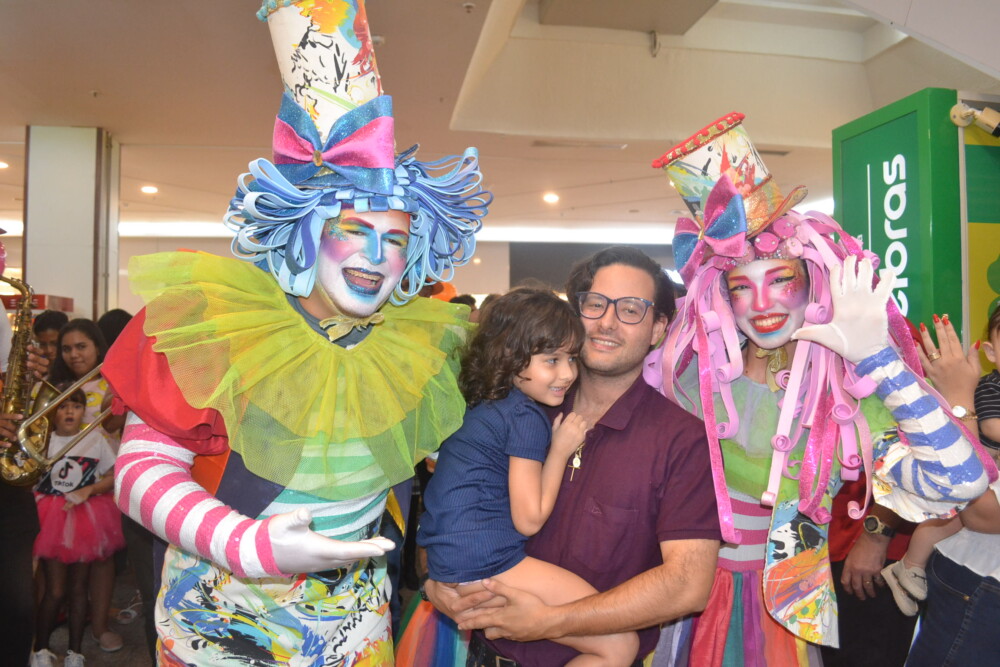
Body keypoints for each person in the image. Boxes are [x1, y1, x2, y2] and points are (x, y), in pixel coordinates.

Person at [103, 0, 489, 662]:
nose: (377, 257)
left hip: (356, 625)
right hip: (224, 626)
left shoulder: (419, 345)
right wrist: (249, 544)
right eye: (354, 230)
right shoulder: (219, 323)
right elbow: (139, 472)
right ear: (307, 230)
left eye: (396, 239)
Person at [646, 112, 995, 663]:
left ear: (813, 283)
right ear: (721, 296)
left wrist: (879, 357)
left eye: (781, 279)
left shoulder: (842, 395)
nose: (762, 305)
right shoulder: (689, 378)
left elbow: (961, 482)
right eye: (742, 287)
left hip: (782, 605)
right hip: (678, 592)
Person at [427, 246, 722, 666]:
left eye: (631, 309)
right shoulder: (524, 404)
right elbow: (454, 501)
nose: (607, 322)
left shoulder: (680, 440)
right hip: (486, 653)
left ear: (658, 328)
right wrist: (436, 582)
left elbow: (687, 586)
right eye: (595, 304)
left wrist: (549, 621)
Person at [419, 288, 638, 665]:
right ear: (511, 355)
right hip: (484, 560)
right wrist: (560, 449)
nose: (567, 373)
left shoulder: (484, 402)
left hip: (450, 559)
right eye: (551, 360)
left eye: (572, 358)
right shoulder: (524, 416)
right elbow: (530, 518)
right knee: (620, 645)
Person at [882, 307, 1000, 618]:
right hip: (970, 477)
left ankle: (907, 567)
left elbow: (982, 516)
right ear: (990, 352)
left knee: (951, 518)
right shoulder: (992, 387)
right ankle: (910, 565)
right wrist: (959, 396)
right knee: (944, 518)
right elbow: (991, 427)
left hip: (979, 566)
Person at [30, 385, 124, 667]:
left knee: (80, 589)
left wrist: (90, 489)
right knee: (55, 590)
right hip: (51, 519)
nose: (70, 411)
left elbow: (113, 475)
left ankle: (75, 652)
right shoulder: (43, 442)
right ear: (51, 412)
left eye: (76, 405)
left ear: (84, 411)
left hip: (85, 518)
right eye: (62, 406)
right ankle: (40, 649)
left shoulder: (94, 438)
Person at [46, 318, 124, 653]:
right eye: (66, 348)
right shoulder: (51, 386)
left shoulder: (112, 380)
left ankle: (100, 626)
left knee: (101, 558)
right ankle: (45, 628)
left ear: (97, 346)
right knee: (54, 557)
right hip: (58, 483)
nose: (74, 354)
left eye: (82, 346)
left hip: (101, 480)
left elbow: (116, 424)